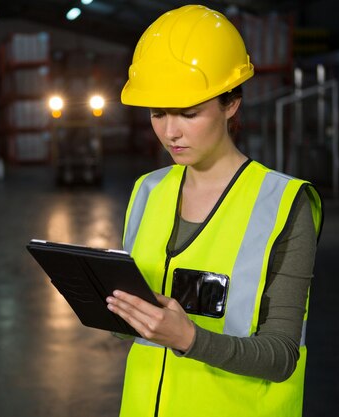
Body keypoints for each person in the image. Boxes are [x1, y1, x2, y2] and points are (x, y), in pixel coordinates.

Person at [105, 5, 323, 416]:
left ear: (231, 103)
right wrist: (112, 305)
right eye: (158, 113)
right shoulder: (148, 191)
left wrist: (189, 338)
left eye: (188, 113)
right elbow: (133, 331)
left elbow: (281, 356)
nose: (171, 131)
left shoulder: (282, 205)